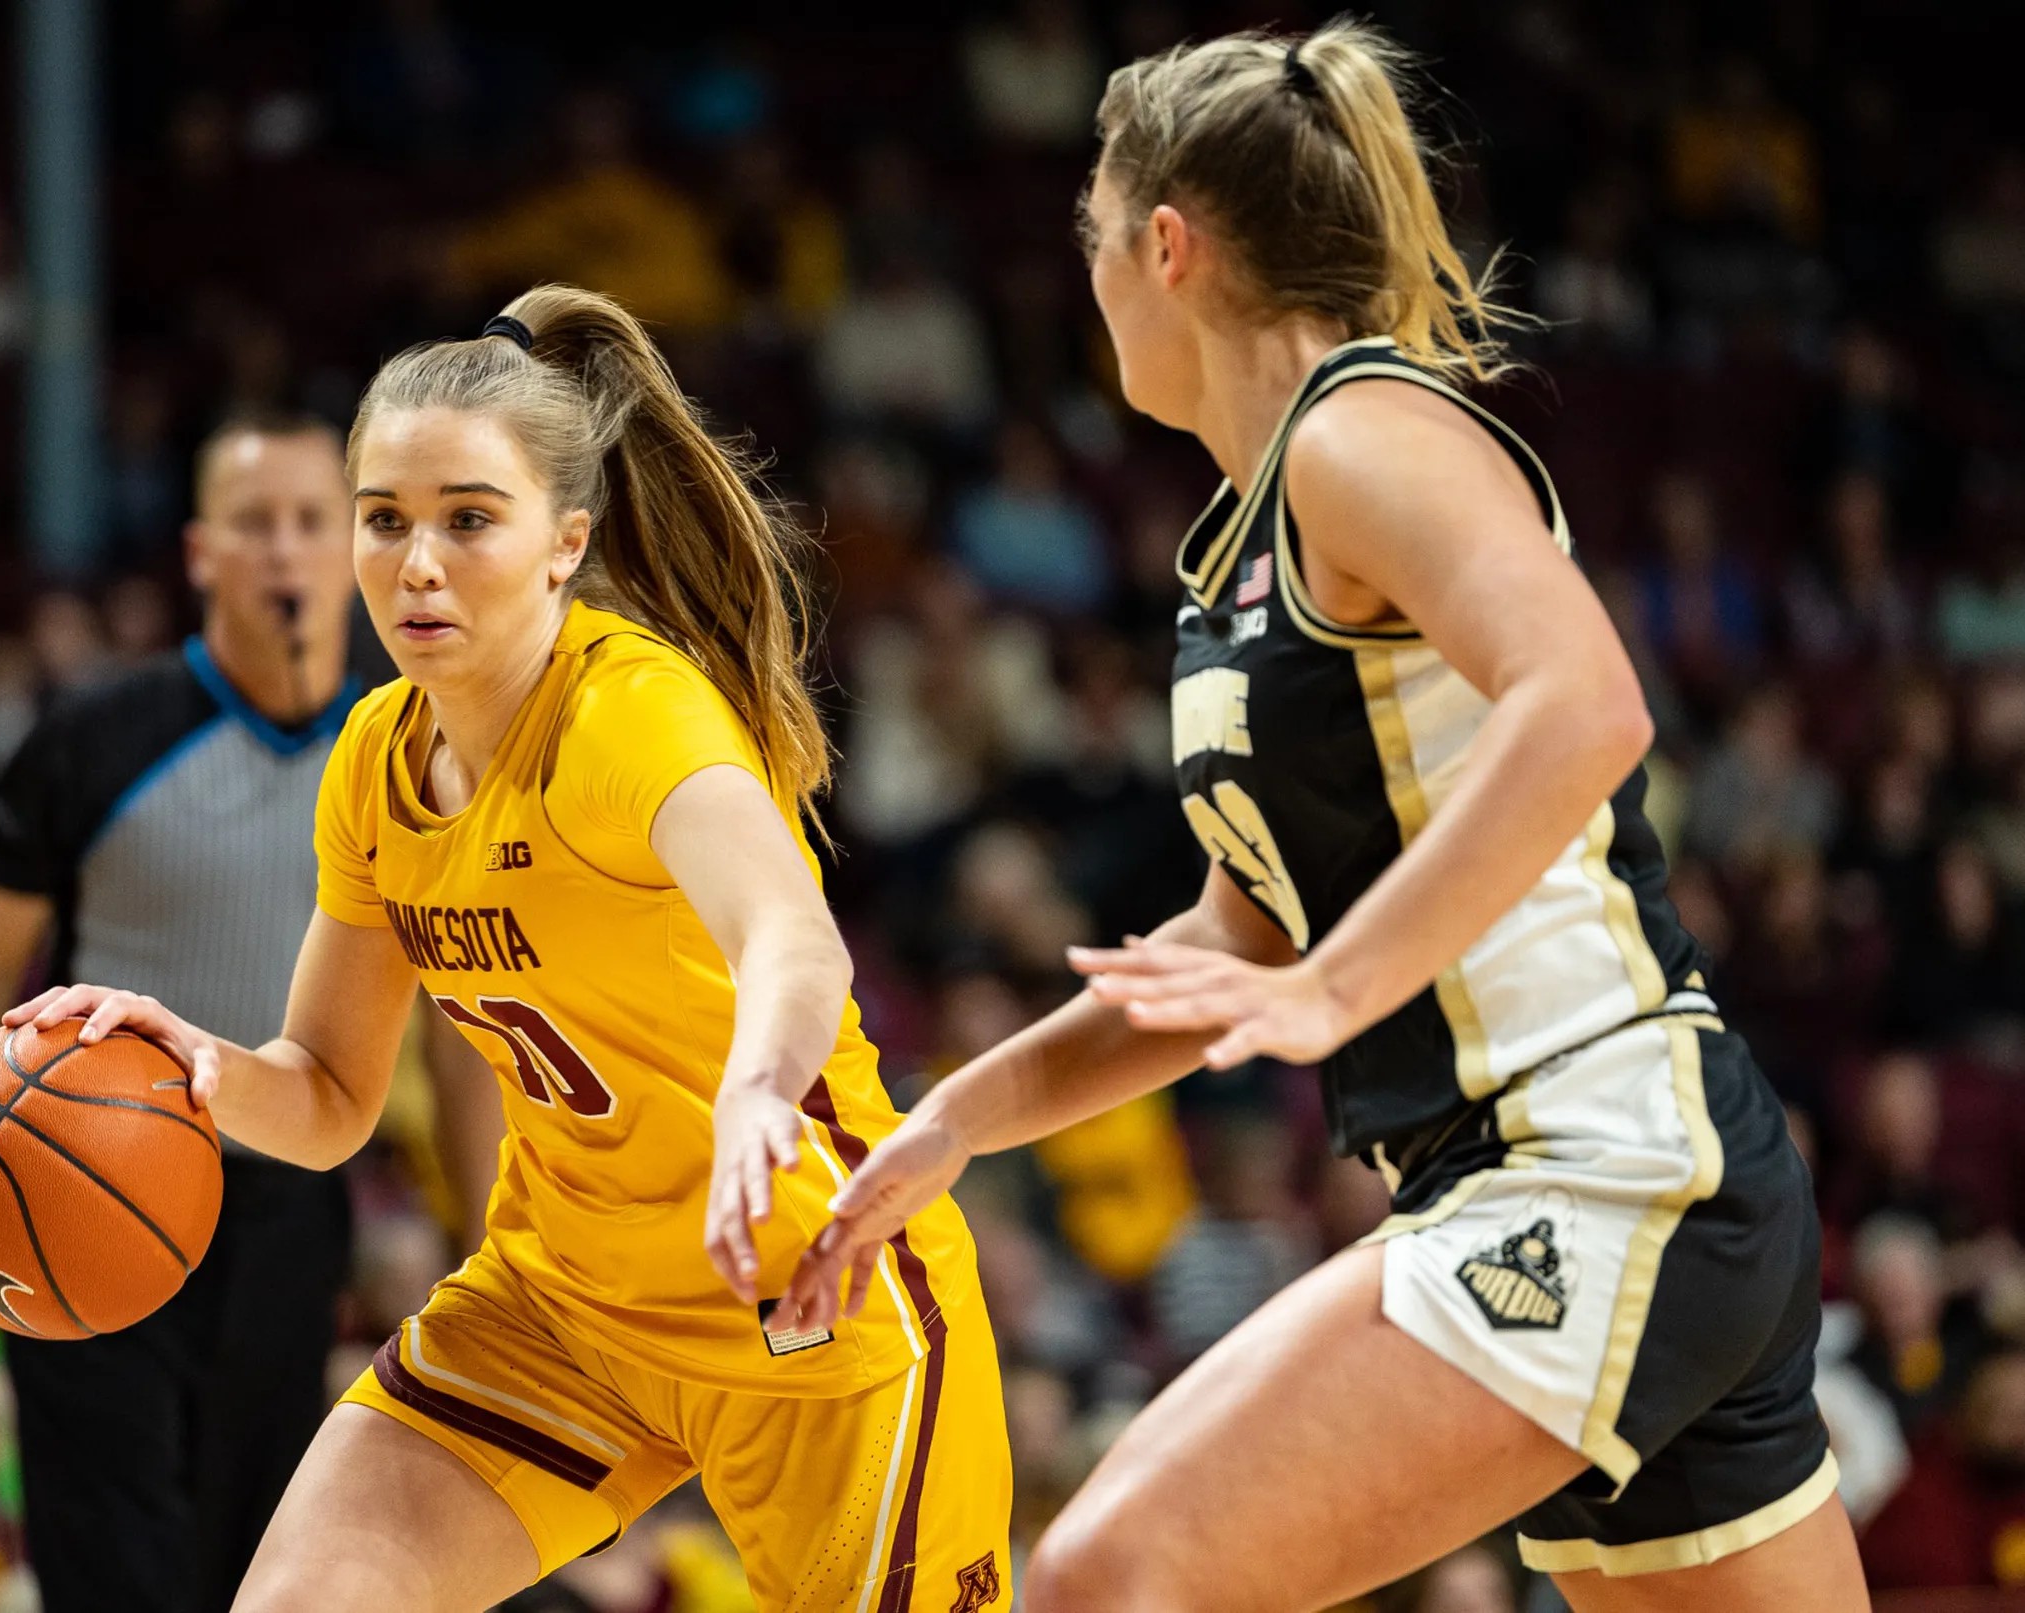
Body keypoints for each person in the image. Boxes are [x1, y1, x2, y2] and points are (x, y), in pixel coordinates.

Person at [781, 23, 1869, 1613]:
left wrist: (1331, 990)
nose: (1085, 281)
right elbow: (1235, 943)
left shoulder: (1364, 434)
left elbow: (1589, 700)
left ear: (1164, 244)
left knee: (1109, 1579)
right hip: (1604, 1182)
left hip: (1599, 1161)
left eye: (1091, 237)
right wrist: (954, 1121)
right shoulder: (1244, 548)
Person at [10, 286, 1010, 1613]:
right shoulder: (372, 762)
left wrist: (764, 1087)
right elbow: (323, 1094)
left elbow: (791, 933)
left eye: (468, 520)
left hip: (811, 1307)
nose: (416, 563)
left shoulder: (628, 717)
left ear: (564, 543)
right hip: (566, 1306)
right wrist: (189, 1062)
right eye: (386, 521)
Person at [0, 410, 498, 1613]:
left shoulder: (420, 751)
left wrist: (483, 1233)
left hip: (289, 1195)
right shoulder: (89, 739)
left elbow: (462, 1028)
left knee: (263, 1566)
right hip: (74, 1171)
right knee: (108, 1565)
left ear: (358, 548)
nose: (285, 552)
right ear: (200, 553)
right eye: (254, 524)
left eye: (313, 523)